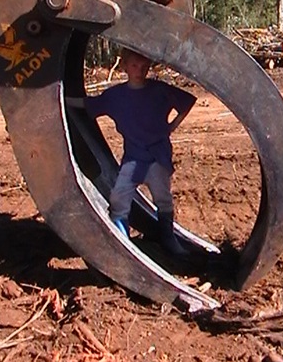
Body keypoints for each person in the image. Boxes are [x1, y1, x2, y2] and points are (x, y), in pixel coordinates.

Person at [68, 48, 196, 256]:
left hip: (157, 156)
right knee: (119, 198)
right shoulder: (116, 96)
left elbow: (187, 102)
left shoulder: (159, 90)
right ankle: (123, 243)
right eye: (135, 66)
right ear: (125, 66)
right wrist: (61, 100)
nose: (139, 71)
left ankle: (168, 239)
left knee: (162, 199)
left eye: (144, 67)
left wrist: (172, 126)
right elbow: (88, 104)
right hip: (134, 158)